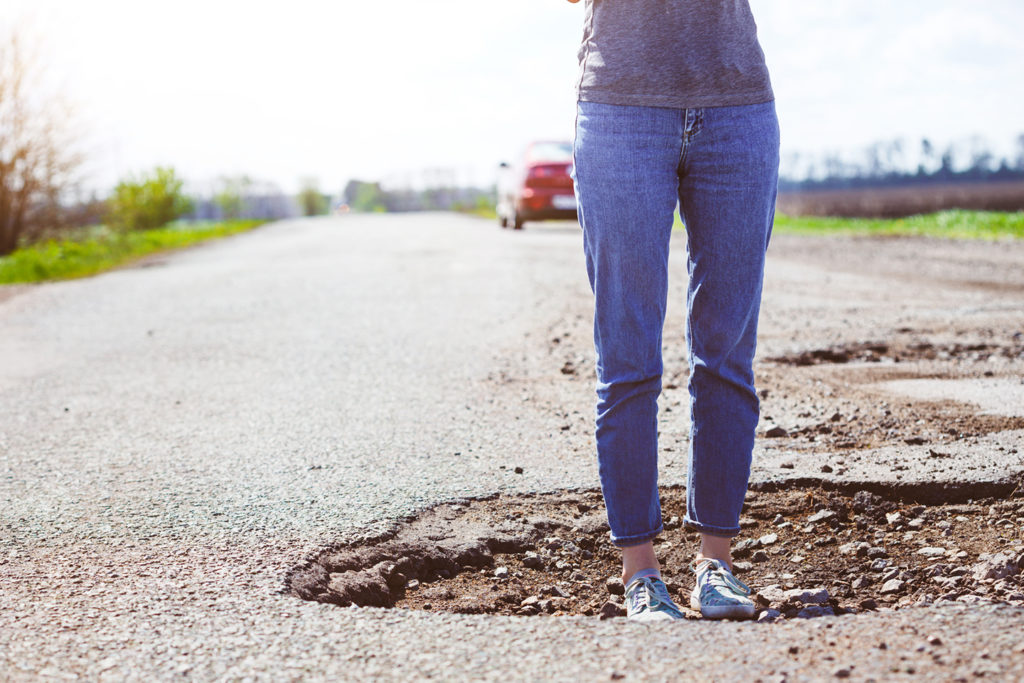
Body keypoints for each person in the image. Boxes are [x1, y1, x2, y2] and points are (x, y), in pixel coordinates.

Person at [569, 0, 780, 621]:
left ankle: (718, 566)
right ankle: (641, 574)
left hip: (738, 107)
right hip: (619, 109)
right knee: (628, 353)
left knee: (726, 351)